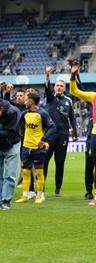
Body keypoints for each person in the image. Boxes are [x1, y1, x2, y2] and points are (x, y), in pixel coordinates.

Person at [15, 92, 55, 204]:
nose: (25, 101)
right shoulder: (24, 113)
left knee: (39, 172)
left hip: (37, 148)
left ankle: (39, 195)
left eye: (26, 99)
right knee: (26, 172)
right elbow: (18, 125)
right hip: (26, 147)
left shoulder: (42, 113)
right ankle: (25, 196)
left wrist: (44, 140)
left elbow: (52, 127)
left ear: (31, 101)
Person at [43, 66, 78, 197]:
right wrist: (47, 76)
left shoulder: (68, 100)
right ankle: (41, 186)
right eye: (57, 85)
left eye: (61, 86)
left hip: (63, 135)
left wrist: (75, 131)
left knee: (60, 163)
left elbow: (72, 118)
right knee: (45, 161)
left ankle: (58, 188)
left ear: (64, 88)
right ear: (54, 87)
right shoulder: (50, 98)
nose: (58, 87)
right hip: (50, 135)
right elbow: (46, 88)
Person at [69, 61, 96, 205]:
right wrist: (73, 76)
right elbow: (77, 91)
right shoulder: (93, 97)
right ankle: (91, 193)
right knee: (91, 165)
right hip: (93, 135)